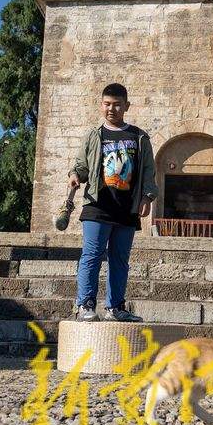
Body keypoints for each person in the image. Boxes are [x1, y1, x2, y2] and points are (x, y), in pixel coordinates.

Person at [68, 83, 158, 323]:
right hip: (97, 205)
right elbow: (81, 165)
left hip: (127, 208)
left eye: (117, 104)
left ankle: (115, 307)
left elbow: (148, 170)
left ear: (126, 106)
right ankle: (85, 304)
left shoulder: (139, 137)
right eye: (107, 104)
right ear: (101, 105)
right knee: (92, 255)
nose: (112, 109)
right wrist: (75, 175)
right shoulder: (94, 135)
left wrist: (147, 196)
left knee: (120, 260)